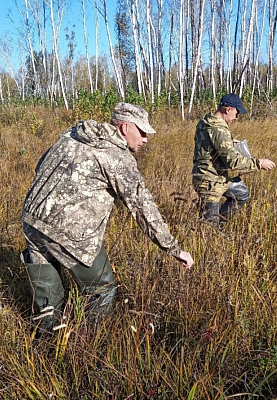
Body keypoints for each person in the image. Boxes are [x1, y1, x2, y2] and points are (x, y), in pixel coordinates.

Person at [20, 102, 194, 333]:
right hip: (71, 233)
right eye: (141, 132)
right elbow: (143, 208)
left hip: (32, 220)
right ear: (124, 128)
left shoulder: (73, 134)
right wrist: (174, 249)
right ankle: (88, 341)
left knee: (46, 295)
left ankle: (47, 342)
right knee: (103, 288)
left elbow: (41, 166)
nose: (145, 139)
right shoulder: (117, 157)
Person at [192, 93, 276, 226]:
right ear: (228, 109)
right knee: (209, 230)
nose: (237, 117)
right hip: (210, 183)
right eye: (237, 113)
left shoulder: (205, 121)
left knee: (241, 193)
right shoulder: (219, 129)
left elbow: (208, 142)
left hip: (213, 177)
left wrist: (229, 142)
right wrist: (259, 163)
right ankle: (213, 225)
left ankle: (218, 221)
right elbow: (233, 162)